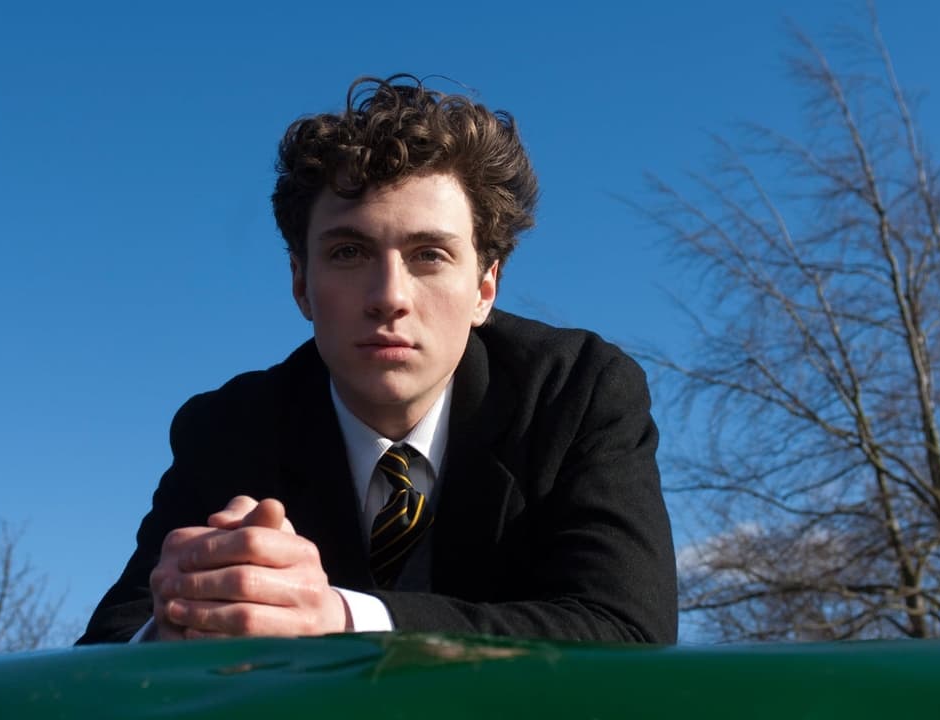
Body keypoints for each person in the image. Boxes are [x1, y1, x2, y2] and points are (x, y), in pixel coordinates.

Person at [77, 75, 677, 645]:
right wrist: (180, 618)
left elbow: (627, 631)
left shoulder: (576, 393)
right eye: (348, 252)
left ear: (485, 288)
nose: (389, 297)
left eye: (429, 254)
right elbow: (109, 649)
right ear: (301, 285)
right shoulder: (229, 430)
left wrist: (342, 618)